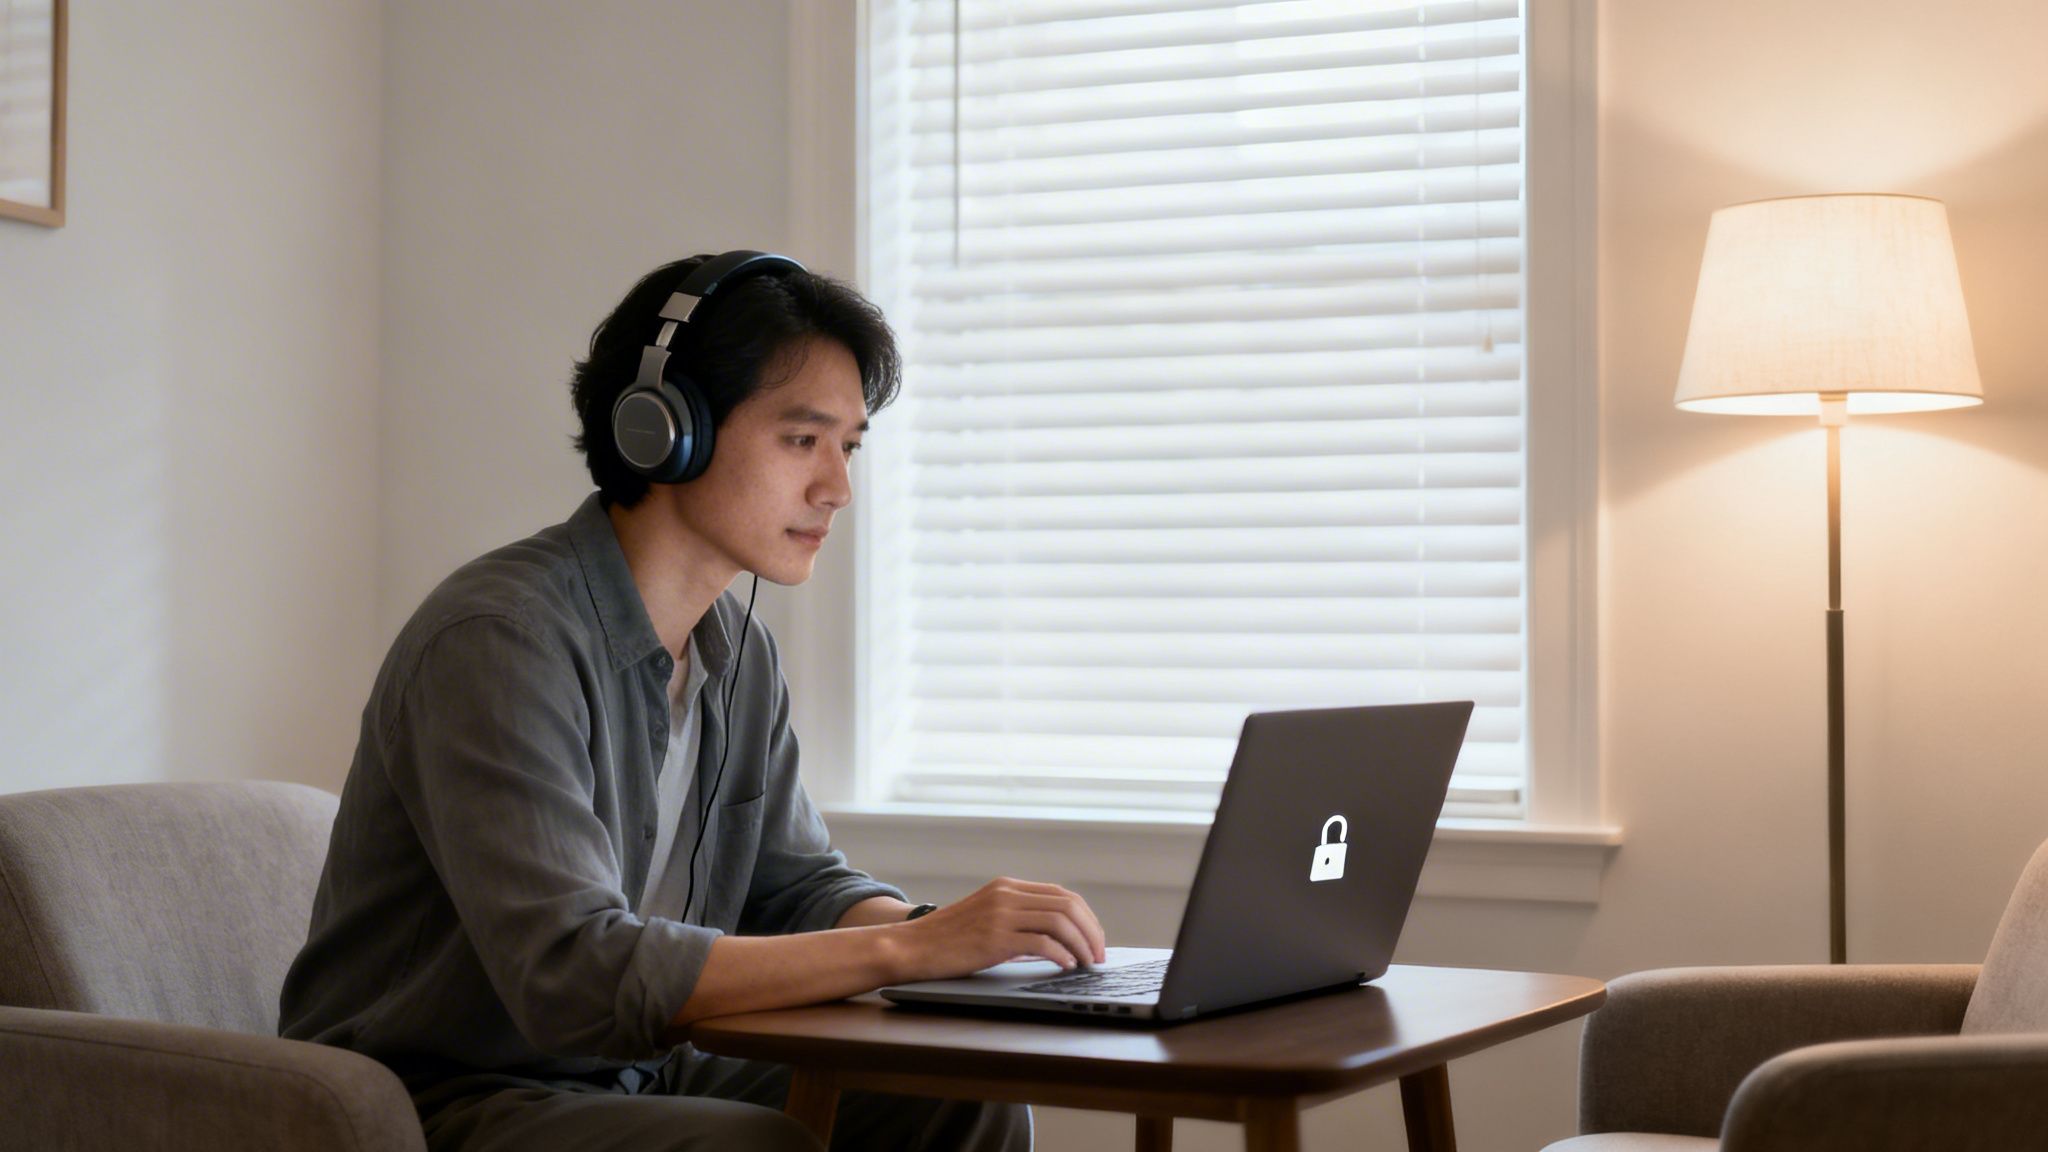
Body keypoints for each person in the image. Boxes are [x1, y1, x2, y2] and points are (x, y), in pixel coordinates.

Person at [279, 251, 1107, 1152]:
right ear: (666, 429)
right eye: (803, 441)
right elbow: (572, 973)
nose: (837, 488)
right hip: (443, 1098)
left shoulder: (738, 652)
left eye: (849, 447)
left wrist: (949, 936)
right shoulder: (498, 640)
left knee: (957, 1094)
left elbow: (795, 888)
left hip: (631, 1073)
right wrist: (910, 952)